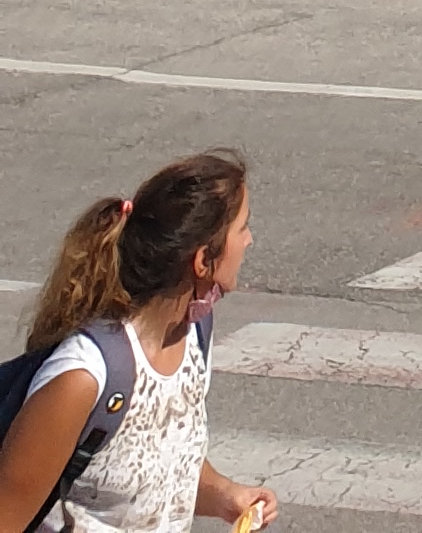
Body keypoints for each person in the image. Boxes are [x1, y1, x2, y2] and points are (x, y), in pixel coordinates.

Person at [0, 148, 273, 532]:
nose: (250, 241)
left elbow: (161, 462)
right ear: (201, 261)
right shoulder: (82, 378)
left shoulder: (194, 334)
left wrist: (226, 495)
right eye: (242, 228)